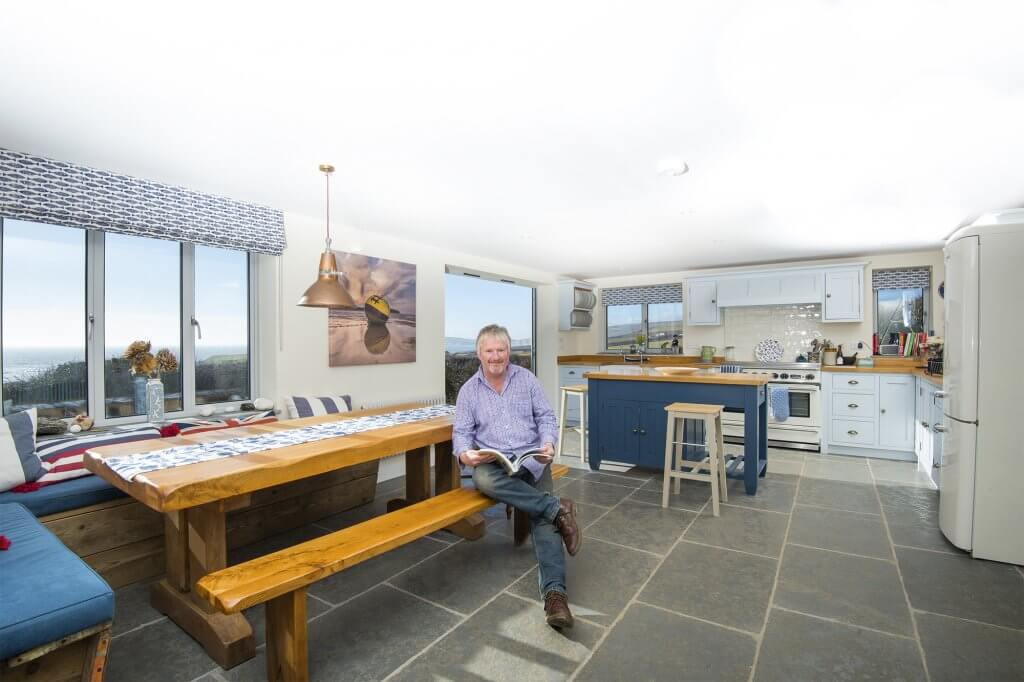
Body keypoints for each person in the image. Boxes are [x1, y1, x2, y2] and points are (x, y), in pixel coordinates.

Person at [453, 324, 582, 629]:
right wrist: (464, 454)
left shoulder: (527, 380)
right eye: (489, 351)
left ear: (509, 351)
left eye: (501, 350)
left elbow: (546, 417)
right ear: (479, 354)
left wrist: (548, 443)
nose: (496, 356)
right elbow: (461, 433)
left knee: (542, 521)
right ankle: (557, 508)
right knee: (482, 479)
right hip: (494, 463)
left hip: (532, 458)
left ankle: (555, 597)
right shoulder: (468, 391)